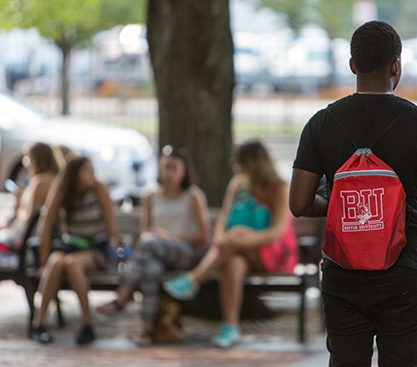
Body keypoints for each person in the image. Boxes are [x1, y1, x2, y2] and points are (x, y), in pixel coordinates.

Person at [289, 21, 417, 367]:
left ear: (352, 65)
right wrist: (411, 228)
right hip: (405, 270)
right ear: (397, 65)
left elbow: (299, 203)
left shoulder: (321, 123)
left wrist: (345, 207)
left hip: (343, 273)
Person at [163, 140, 298, 348]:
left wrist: (242, 238)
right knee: (233, 262)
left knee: (237, 235)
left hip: (273, 252)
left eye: (238, 159)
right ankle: (230, 327)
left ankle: (193, 279)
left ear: (251, 162)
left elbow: (277, 232)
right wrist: (220, 238)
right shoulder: (238, 184)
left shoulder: (279, 187)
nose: (234, 163)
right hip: (236, 251)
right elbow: (223, 219)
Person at [96, 146, 211, 347]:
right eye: (165, 167)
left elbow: (203, 236)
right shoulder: (150, 195)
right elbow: (145, 231)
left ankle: (122, 297)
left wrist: (170, 237)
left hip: (185, 253)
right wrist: (158, 238)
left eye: (174, 168)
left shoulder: (193, 196)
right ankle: (148, 331)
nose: (169, 173)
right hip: (155, 254)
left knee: (150, 242)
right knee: (151, 269)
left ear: (184, 171)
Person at [31, 156, 118, 345]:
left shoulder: (99, 188)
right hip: (71, 245)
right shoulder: (63, 190)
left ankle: (87, 324)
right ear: (75, 173)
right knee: (55, 263)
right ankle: (39, 324)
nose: (92, 173)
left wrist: (114, 255)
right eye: (87, 169)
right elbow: (45, 224)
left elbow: (111, 229)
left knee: (72, 263)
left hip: (96, 248)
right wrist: (44, 260)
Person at [0, 143, 59, 251]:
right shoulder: (54, 179)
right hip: (36, 236)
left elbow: (29, 219)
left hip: (25, 239)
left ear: (36, 159)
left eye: (27, 157)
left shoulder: (39, 182)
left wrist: (18, 205)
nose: (25, 162)